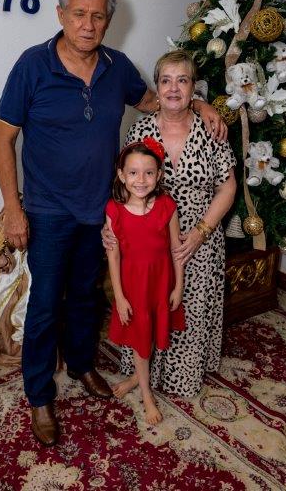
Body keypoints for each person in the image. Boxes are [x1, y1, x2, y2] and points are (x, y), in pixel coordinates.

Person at [0, 0, 226, 446]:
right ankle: (39, 395)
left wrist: (199, 104)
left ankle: (81, 366)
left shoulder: (117, 67)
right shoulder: (32, 65)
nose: (88, 24)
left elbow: (155, 100)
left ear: (109, 21)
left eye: (98, 16)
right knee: (45, 304)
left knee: (85, 296)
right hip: (48, 211)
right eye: (79, 13)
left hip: (99, 211)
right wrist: (13, 208)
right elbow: (3, 139)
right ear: (61, 14)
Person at [106, 49, 236, 399]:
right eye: (166, 80)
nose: (174, 88)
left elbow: (228, 188)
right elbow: (124, 182)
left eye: (182, 80)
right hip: (147, 242)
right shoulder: (141, 129)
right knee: (145, 307)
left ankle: (180, 375)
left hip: (198, 238)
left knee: (186, 308)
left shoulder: (210, 129)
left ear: (194, 88)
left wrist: (200, 233)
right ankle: (141, 375)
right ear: (157, 87)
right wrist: (111, 226)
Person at [106, 138, 185, 424]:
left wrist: (178, 286)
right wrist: (120, 297)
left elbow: (176, 249)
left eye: (149, 173)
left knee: (149, 335)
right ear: (121, 175)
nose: (141, 180)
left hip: (160, 284)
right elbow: (113, 256)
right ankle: (146, 394)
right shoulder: (114, 210)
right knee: (141, 340)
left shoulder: (167, 206)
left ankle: (135, 379)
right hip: (133, 288)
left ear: (159, 174)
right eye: (133, 173)